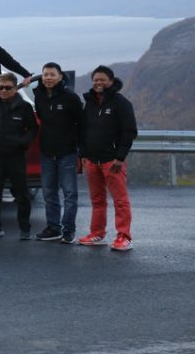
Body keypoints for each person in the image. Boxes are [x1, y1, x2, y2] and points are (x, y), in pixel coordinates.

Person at [79, 65, 138, 251]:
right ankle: (97, 234)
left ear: (111, 81)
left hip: (112, 161)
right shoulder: (89, 103)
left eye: (102, 79)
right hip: (92, 160)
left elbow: (129, 131)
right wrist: (83, 154)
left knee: (120, 200)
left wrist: (119, 157)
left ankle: (124, 237)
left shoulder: (121, 103)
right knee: (97, 200)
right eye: (96, 79)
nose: (98, 82)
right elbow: (83, 130)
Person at [0, 73, 38, 239]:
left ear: (15, 88)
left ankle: (25, 229)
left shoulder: (24, 106)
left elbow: (33, 128)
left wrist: (22, 142)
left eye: (7, 88)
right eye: (1, 87)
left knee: (21, 194)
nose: (3, 90)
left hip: (15, 155)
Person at [33, 62, 83, 244]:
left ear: (60, 76)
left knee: (70, 193)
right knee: (49, 193)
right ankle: (53, 228)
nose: (48, 78)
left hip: (67, 152)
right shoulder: (39, 96)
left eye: (52, 74)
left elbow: (81, 123)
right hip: (47, 152)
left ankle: (69, 230)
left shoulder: (70, 97)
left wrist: (79, 149)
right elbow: (42, 118)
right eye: (45, 74)